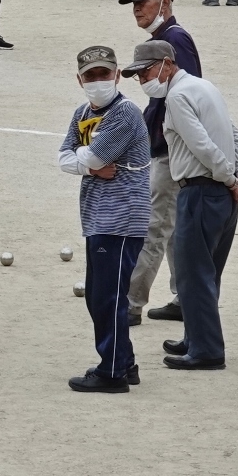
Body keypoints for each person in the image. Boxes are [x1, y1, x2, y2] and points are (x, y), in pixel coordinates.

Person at [122, 38, 238, 372]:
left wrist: (229, 177)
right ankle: (195, 337)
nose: (142, 80)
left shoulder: (177, 97)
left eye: (146, 71)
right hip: (222, 196)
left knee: (193, 274)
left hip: (200, 191)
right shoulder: (205, 87)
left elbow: (202, 146)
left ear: (167, 64)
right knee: (207, 271)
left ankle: (207, 350)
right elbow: (234, 134)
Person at [59, 45, 154, 393]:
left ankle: (111, 373)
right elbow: (64, 157)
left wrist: (88, 163)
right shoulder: (83, 111)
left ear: (116, 75)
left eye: (104, 73)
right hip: (98, 217)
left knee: (108, 298)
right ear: (80, 79)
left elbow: (93, 157)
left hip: (122, 218)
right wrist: (91, 166)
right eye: (90, 75)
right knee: (98, 296)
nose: (98, 80)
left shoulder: (125, 113)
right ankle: (124, 363)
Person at [119, 0, 202, 325]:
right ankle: (185, 296)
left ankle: (130, 304)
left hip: (171, 149)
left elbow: (185, 95)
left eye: (144, 0)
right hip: (169, 146)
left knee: (154, 225)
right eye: (134, 3)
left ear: (165, 3)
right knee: (172, 227)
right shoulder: (163, 38)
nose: (137, 7)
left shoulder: (174, 39)